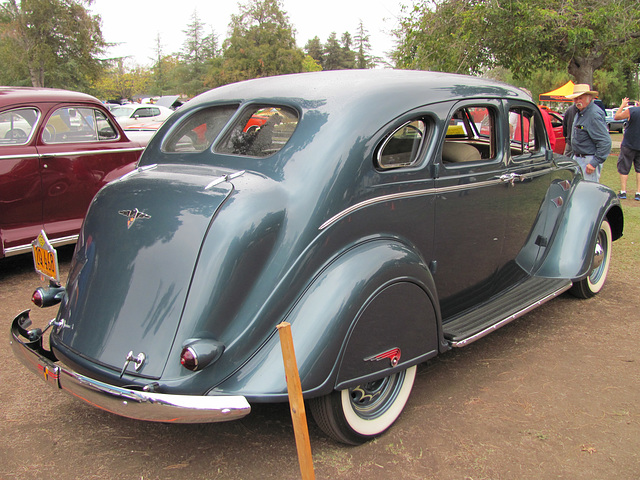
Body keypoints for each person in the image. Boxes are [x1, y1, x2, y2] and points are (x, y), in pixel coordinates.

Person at [565, 84, 611, 182]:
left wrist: (594, 163)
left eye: (580, 98)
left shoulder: (593, 115)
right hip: (579, 158)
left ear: (589, 97)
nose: (577, 101)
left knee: (589, 191)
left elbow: (605, 142)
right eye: (575, 99)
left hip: (588, 160)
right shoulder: (580, 112)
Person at [614, 97, 640, 200]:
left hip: (628, 144)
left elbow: (616, 117)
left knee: (624, 167)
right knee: (639, 169)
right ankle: (638, 193)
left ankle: (623, 191)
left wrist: (623, 105)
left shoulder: (632, 111)